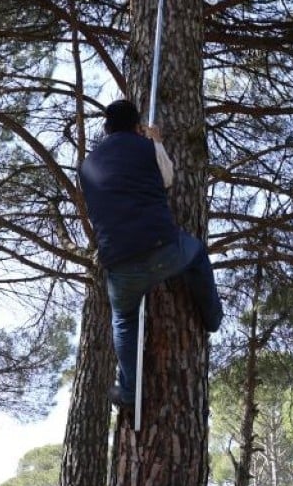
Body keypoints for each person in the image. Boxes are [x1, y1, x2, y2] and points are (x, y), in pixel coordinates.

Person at [79, 98, 223, 407]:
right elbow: (168, 179)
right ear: (136, 125)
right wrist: (156, 142)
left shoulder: (87, 165)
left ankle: (129, 393)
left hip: (119, 262)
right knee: (197, 256)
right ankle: (212, 318)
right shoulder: (145, 147)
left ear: (106, 128)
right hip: (162, 247)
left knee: (124, 320)